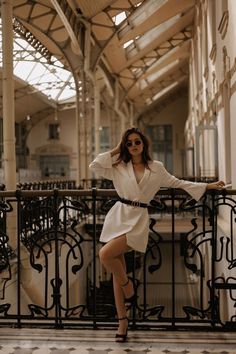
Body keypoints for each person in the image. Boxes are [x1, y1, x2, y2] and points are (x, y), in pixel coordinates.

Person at [89, 126, 225, 342]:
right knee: (115, 268)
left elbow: (178, 183)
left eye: (137, 142)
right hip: (118, 216)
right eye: (129, 143)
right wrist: (115, 149)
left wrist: (208, 185)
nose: (133, 146)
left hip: (137, 220)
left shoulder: (156, 168)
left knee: (105, 255)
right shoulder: (118, 166)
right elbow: (95, 165)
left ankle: (128, 287)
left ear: (144, 144)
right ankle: (122, 321)